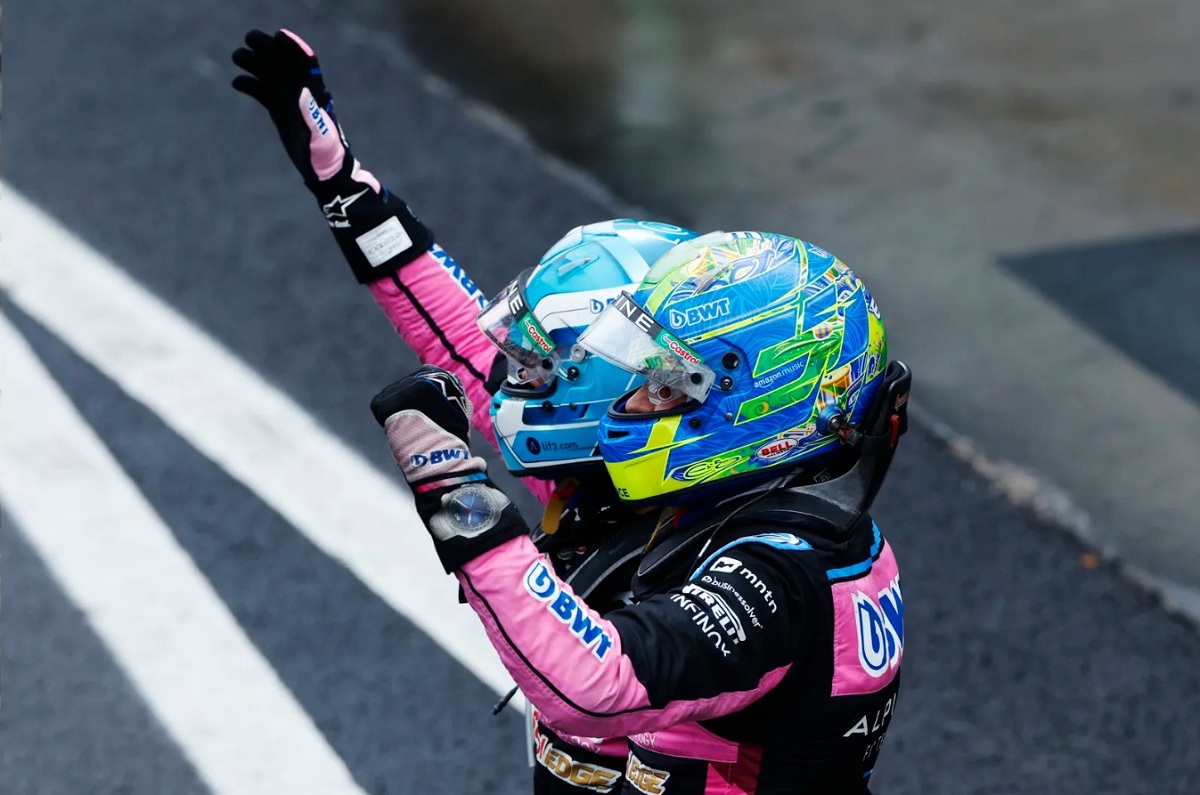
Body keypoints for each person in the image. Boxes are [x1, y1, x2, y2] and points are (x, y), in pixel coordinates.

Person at [230, 28, 706, 792]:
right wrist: (343, 185)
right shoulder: (601, 466)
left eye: (555, 367)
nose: (524, 383)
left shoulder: (767, 563)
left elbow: (593, 687)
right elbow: (457, 337)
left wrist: (459, 495)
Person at [371, 231, 912, 793]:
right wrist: (357, 204)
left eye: (664, 388)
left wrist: (455, 492)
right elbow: (474, 355)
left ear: (766, 398)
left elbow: (596, 685)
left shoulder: (790, 571)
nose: (627, 406)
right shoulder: (718, 504)